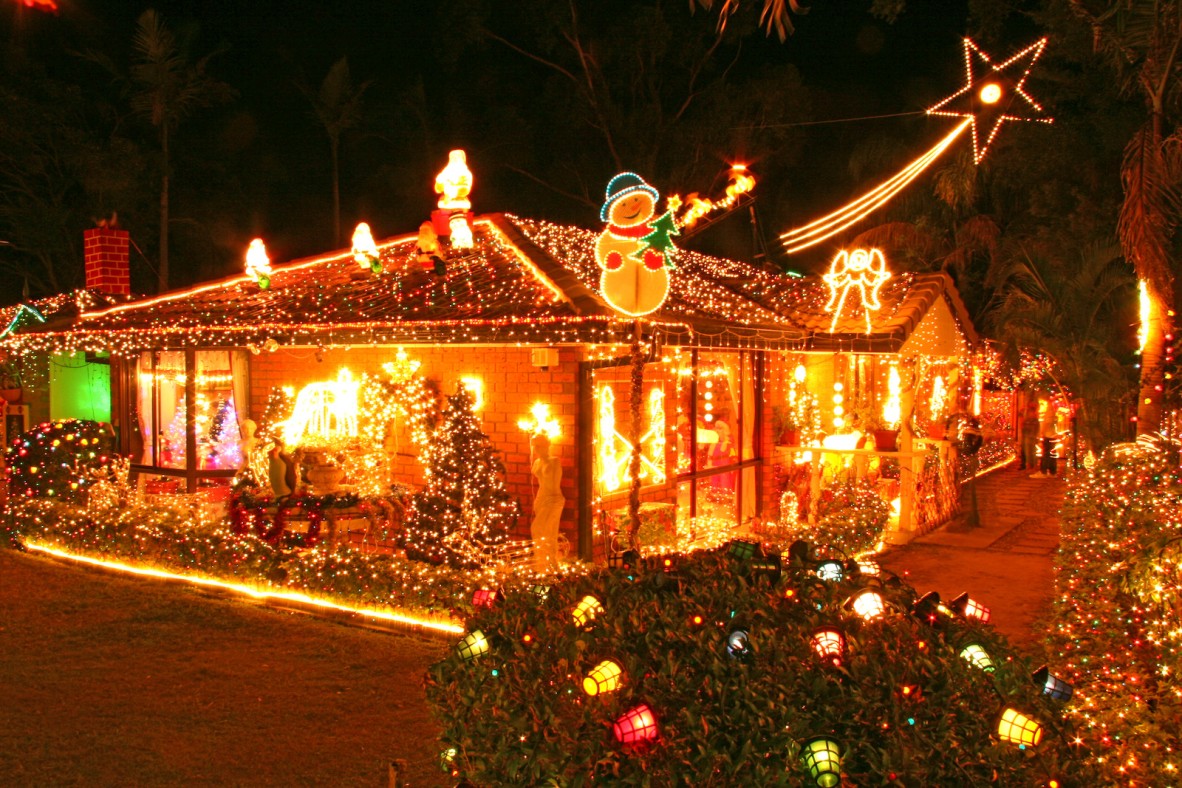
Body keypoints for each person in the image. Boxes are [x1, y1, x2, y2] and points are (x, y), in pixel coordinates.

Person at [529, 433, 564, 572]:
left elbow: (555, 483)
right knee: (544, 533)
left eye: (539, 446)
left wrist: (552, 500)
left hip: (553, 498)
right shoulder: (537, 462)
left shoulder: (554, 461)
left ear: (547, 445)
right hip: (541, 498)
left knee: (540, 529)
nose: (537, 450)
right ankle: (542, 565)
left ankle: (550, 565)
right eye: (535, 447)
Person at [1019, 399, 1040, 472]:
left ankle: (1032, 465)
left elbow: (1036, 426)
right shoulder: (1026, 411)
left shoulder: (1033, 415)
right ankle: (1029, 464)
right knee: (1027, 450)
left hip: (1030, 432)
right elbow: (1021, 417)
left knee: (1030, 450)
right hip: (1027, 432)